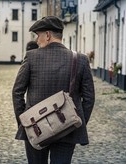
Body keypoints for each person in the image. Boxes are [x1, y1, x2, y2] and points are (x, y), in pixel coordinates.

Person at [12, 16, 95, 164]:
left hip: (35, 127)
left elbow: (17, 92)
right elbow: (89, 98)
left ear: (48, 35)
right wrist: (75, 121)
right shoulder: (81, 59)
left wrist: (24, 123)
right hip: (67, 128)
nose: (37, 41)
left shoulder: (31, 57)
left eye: (38, 36)